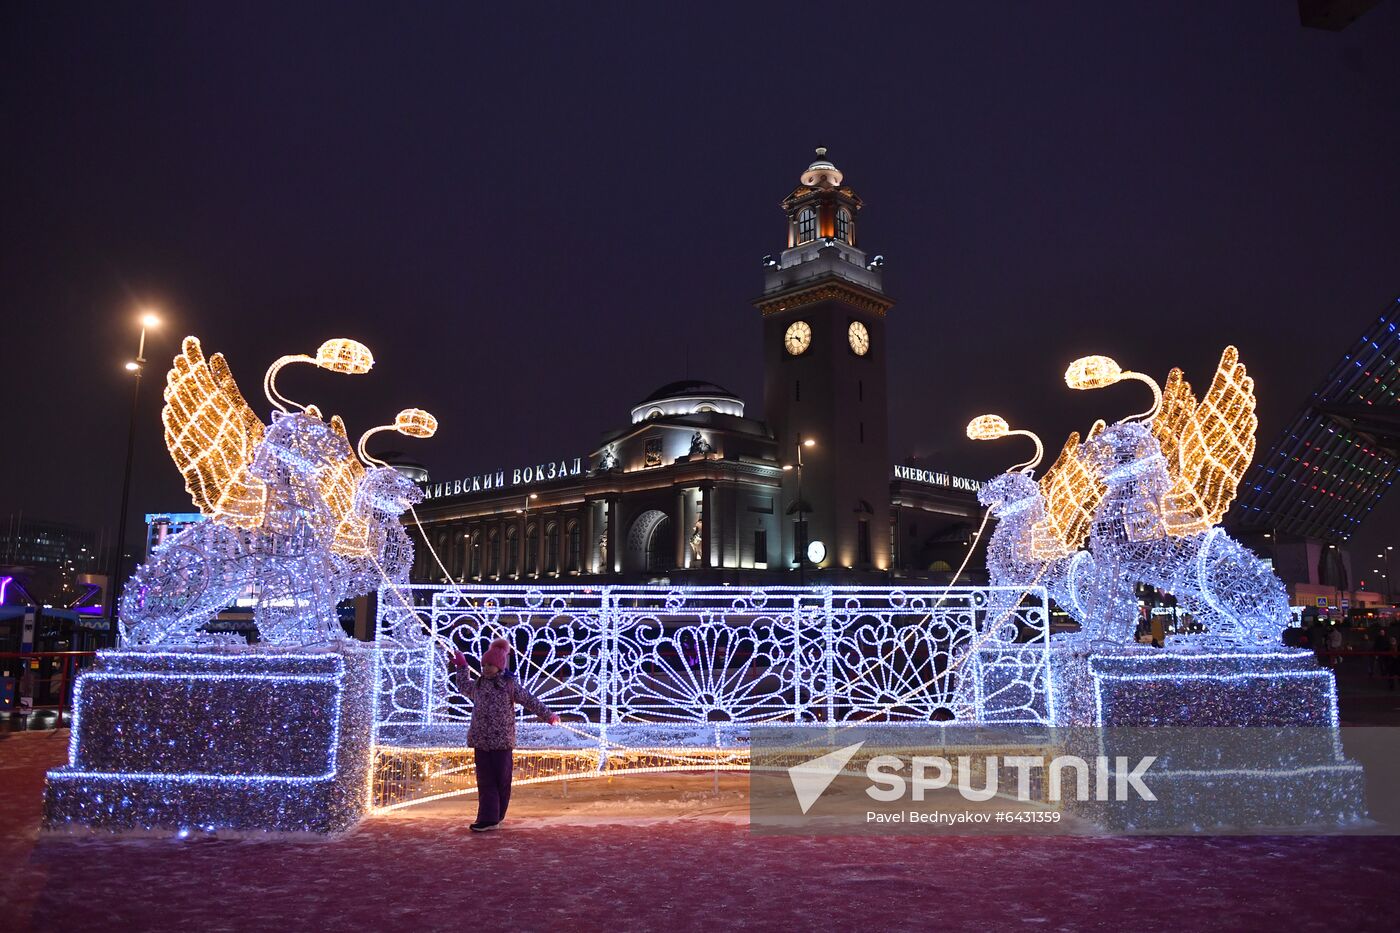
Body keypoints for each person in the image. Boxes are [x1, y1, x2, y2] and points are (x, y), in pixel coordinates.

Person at [448, 638, 559, 832]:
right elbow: (464, 686)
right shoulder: (480, 685)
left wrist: (549, 716)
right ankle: (488, 818)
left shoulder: (508, 686)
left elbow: (530, 701)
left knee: (502, 781)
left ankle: (496, 815)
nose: (485, 668)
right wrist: (462, 666)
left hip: (502, 741)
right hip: (481, 740)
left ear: (499, 666)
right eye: (483, 665)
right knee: (485, 781)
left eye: (490, 665)